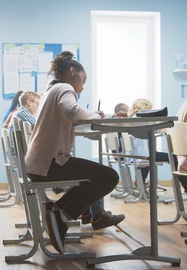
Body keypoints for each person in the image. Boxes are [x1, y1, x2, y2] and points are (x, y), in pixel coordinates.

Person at [25, 51, 125, 254]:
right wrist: (97, 114)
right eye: (83, 79)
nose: (83, 85)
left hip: (38, 164)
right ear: (72, 71)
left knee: (92, 177)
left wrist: (105, 115)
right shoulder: (65, 87)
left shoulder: (50, 91)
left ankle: (57, 211)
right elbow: (72, 111)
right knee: (109, 177)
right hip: (49, 164)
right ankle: (60, 215)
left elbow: (73, 116)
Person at [127, 98, 169, 187]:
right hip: (144, 155)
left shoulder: (130, 119)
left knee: (150, 156)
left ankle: (140, 181)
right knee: (173, 158)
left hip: (134, 154)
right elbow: (155, 130)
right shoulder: (142, 121)